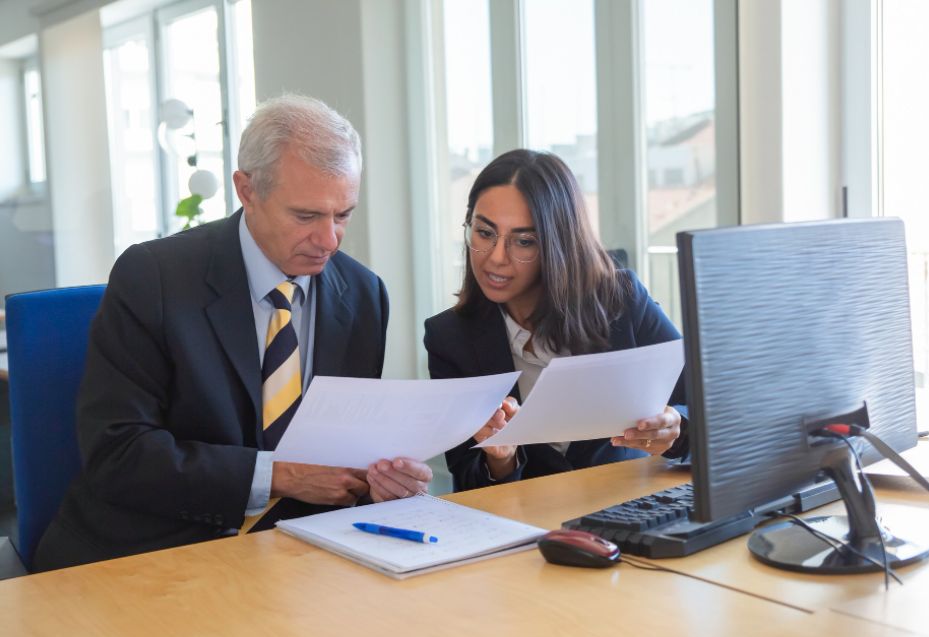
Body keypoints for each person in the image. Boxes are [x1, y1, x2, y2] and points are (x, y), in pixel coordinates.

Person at [34, 95, 431, 571]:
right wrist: (277, 476)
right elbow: (118, 453)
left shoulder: (363, 294)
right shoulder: (154, 277)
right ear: (247, 190)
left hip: (299, 557)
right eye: (306, 216)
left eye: (343, 214)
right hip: (153, 552)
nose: (329, 240)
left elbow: (344, 446)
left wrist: (380, 480)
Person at [424, 149, 687, 492]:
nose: (496, 258)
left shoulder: (622, 300)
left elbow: (704, 405)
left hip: (627, 510)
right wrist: (501, 460)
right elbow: (467, 478)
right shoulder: (449, 337)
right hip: (524, 527)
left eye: (523, 241)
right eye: (485, 233)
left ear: (557, 243)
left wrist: (675, 427)